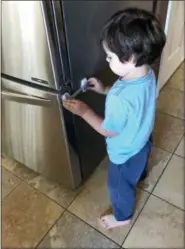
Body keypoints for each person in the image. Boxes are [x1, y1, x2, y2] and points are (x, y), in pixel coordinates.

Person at [62, 8, 166, 229]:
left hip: (125, 152)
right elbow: (133, 103)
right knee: (141, 160)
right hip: (142, 139)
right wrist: (104, 89)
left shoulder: (119, 99)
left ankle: (123, 216)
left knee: (118, 187)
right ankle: (141, 173)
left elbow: (109, 130)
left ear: (130, 59)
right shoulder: (147, 72)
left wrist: (84, 112)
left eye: (109, 56)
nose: (106, 59)